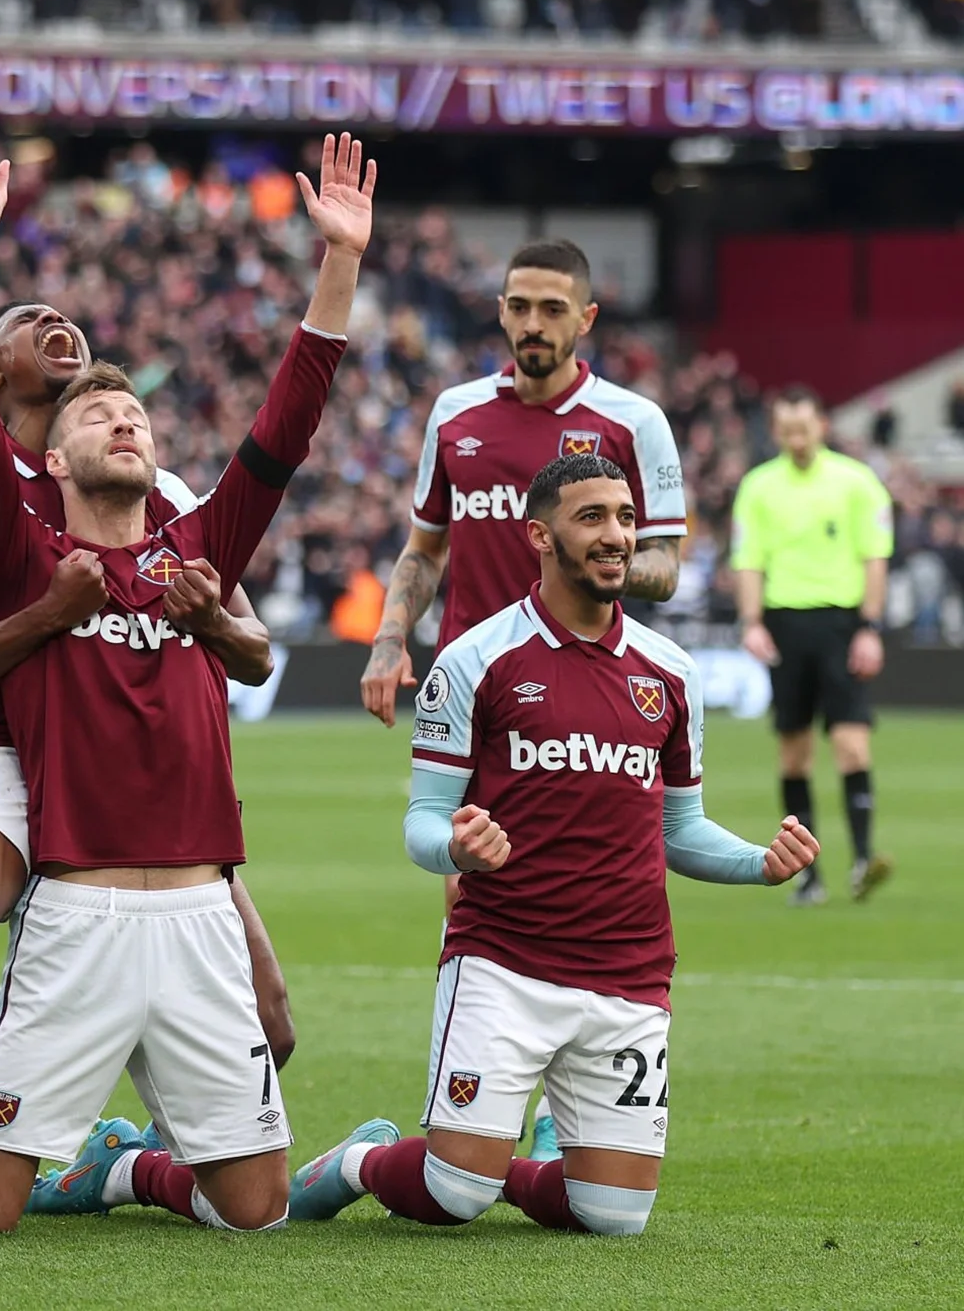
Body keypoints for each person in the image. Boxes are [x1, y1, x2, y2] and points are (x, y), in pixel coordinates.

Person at [0, 122, 367, 1237]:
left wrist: (340, 262)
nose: (123, 419)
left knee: (255, 1211)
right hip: (79, 913)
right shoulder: (26, 558)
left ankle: (120, 1171)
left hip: (202, 913)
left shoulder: (199, 551)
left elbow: (286, 429)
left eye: (138, 415)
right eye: (96, 414)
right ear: (51, 458)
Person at [0, 293, 293, 1243]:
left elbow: (248, 644)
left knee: (273, 1019)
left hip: (125, 764)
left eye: (63, 313)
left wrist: (214, 622)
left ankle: (128, 1161)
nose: (55, 318)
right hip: (8, 742)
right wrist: (50, 618)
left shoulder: (154, 484)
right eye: (25, 315)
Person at [289, 454, 820, 1236]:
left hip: (629, 974)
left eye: (626, 518)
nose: (617, 536)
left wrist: (758, 865)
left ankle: (519, 1161)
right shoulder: (477, 660)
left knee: (611, 1216)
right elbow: (423, 822)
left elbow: (679, 829)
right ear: (540, 536)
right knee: (453, 1194)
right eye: (592, 517)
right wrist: (458, 850)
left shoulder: (671, 673)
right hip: (505, 963)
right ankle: (360, 1162)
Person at [359, 237, 688, 1160]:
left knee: (585, 888)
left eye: (551, 309)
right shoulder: (456, 413)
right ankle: (476, 1113)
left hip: (589, 693)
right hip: (480, 699)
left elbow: (667, 558)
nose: (531, 324)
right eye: (517, 306)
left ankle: (550, 1114)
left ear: (586, 318)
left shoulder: (633, 422)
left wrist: (599, 560)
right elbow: (425, 547)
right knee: (474, 885)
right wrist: (390, 638)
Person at [732, 388, 895, 904]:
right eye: (786, 430)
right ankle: (808, 875)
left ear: (822, 425)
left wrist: (870, 626)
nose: (796, 438)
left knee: (852, 744)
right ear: (776, 430)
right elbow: (748, 560)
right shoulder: (758, 487)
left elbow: (874, 558)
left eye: (803, 428)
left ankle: (862, 861)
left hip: (842, 625)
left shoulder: (856, 482)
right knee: (794, 754)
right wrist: (752, 622)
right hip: (784, 625)